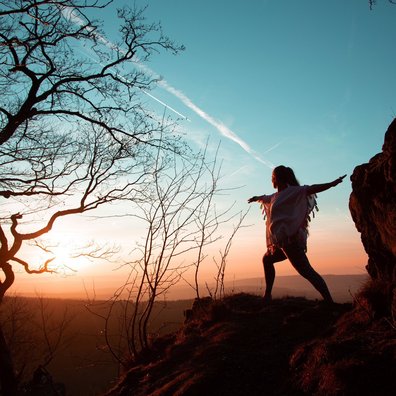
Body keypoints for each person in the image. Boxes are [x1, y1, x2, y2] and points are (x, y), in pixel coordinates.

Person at [248, 165, 346, 304]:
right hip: (280, 243)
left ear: (276, 178)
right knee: (267, 260)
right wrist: (256, 198)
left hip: (290, 242)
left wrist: (332, 184)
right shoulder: (276, 196)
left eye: (272, 177)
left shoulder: (294, 191)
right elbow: (266, 198)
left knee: (306, 271)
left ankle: (329, 302)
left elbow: (312, 188)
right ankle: (267, 295)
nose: (271, 179)